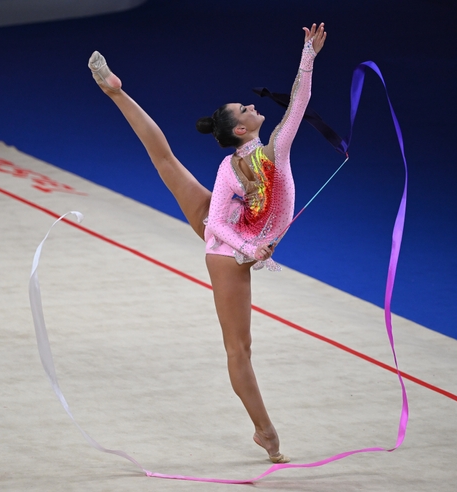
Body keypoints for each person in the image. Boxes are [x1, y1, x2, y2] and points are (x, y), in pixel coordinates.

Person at [88, 23, 327, 463]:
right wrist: (249, 251)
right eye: (243, 108)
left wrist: (307, 56)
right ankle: (264, 431)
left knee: (167, 163)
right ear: (239, 131)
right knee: (239, 347)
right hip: (225, 244)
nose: (252, 104)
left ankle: (117, 92)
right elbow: (215, 224)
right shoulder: (228, 170)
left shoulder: (277, 147)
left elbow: (299, 102)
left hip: (241, 225)